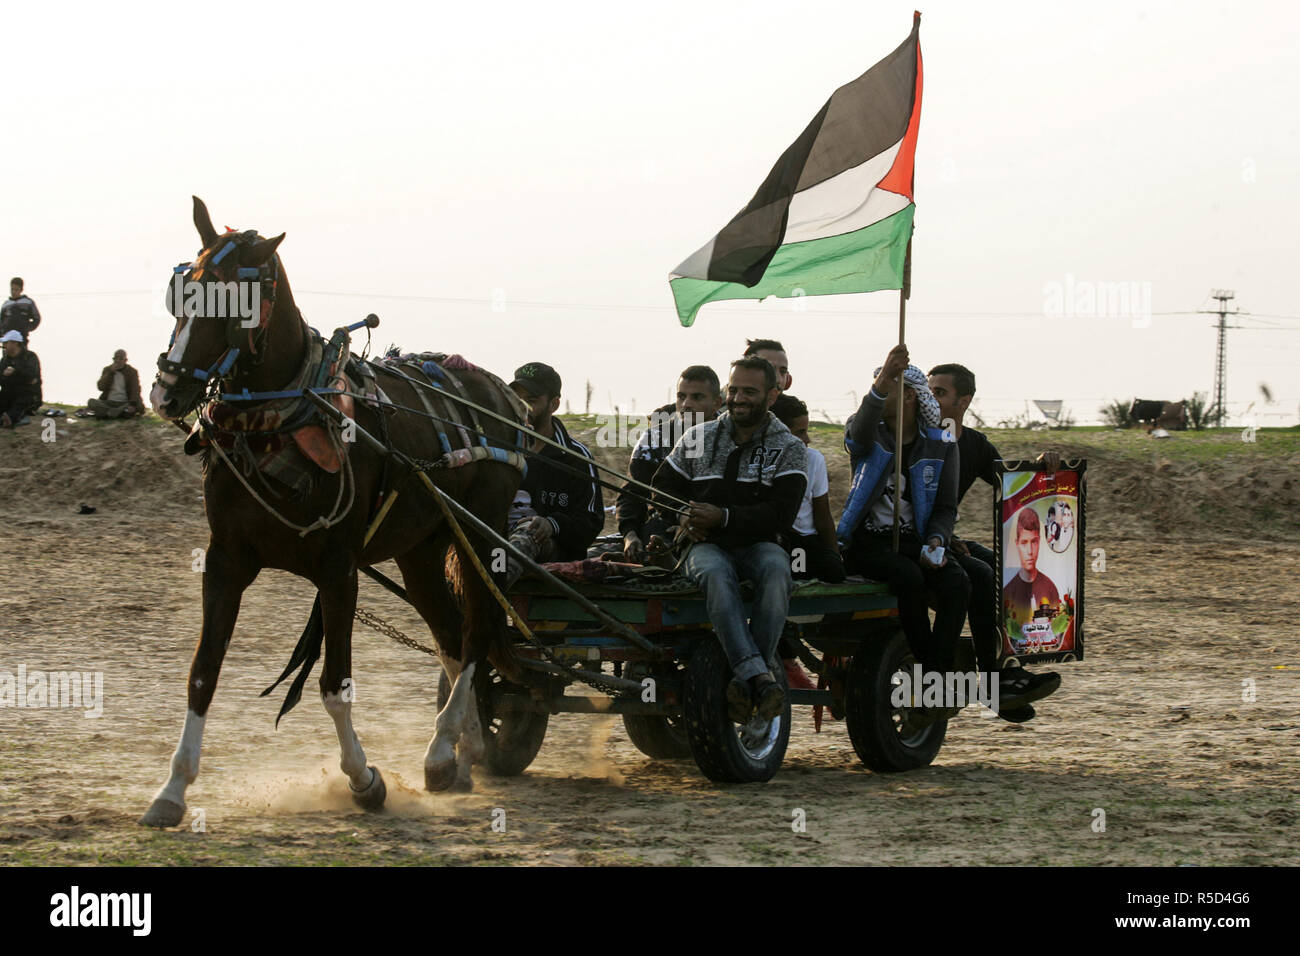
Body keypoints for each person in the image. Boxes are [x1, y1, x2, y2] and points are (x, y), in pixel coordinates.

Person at [652, 356, 807, 723]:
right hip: (703, 545)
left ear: (772, 396)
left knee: (775, 569)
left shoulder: (789, 447)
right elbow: (660, 489)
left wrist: (724, 517)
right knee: (715, 575)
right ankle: (761, 677)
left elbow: (781, 515)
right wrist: (682, 516)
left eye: (749, 392)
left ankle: (748, 673)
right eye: (733, 390)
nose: (738, 398)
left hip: (760, 545)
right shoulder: (696, 438)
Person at [927, 362, 1061, 713]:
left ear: (964, 400)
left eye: (939, 393)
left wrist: (1042, 466)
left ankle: (1007, 674)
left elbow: (1013, 487)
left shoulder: (973, 444)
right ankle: (994, 682)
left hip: (947, 537)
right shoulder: (917, 439)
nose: (930, 399)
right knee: (984, 575)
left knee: (1010, 570)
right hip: (923, 540)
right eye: (928, 392)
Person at [838, 344, 968, 687]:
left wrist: (938, 540)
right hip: (868, 543)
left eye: (889, 386)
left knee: (957, 581)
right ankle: (928, 670)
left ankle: (939, 669)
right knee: (909, 578)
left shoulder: (941, 443)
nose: (879, 393)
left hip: (915, 539)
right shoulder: (866, 431)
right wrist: (884, 379)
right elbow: (857, 437)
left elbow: (944, 507)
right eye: (877, 384)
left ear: (910, 397)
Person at [504, 362, 604, 584]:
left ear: (554, 404)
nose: (521, 407)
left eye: (530, 401)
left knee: (526, 536)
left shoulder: (575, 457)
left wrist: (552, 524)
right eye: (516, 399)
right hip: (499, 540)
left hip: (551, 549)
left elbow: (591, 521)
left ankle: (492, 592)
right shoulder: (498, 448)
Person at [617, 365, 722, 563]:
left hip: (712, 528)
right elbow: (633, 493)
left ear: (717, 402)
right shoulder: (655, 438)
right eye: (681, 396)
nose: (686, 404)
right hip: (661, 525)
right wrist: (629, 535)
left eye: (697, 397)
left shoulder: (729, 438)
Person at [771, 394, 845, 583]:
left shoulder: (813, 460)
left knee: (832, 570)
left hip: (804, 541)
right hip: (775, 539)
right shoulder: (763, 461)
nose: (808, 439)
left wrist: (835, 554)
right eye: (800, 432)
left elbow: (823, 515)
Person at [1003, 507, 1061, 625]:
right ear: (1017, 544)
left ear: (1039, 542)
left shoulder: (1051, 589)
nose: (1029, 551)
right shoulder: (1008, 592)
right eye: (1024, 543)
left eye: (1034, 542)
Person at [0, 330, 42, 427]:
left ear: (15, 343)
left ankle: (10, 420)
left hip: (29, 395)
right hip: (9, 393)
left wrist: (15, 372)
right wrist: (5, 376)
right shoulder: (5, 359)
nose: (3, 345)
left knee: (20, 406)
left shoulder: (30, 357)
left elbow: (31, 378)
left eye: (6, 343)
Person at [87, 350, 144, 419]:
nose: (117, 361)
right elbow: (100, 387)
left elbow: (136, 389)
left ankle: (109, 413)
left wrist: (132, 404)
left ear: (125, 360)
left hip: (125, 402)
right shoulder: (107, 369)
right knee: (91, 402)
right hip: (109, 402)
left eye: (120, 359)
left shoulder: (132, 371)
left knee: (139, 404)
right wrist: (110, 373)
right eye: (115, 358)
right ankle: (118, 413)